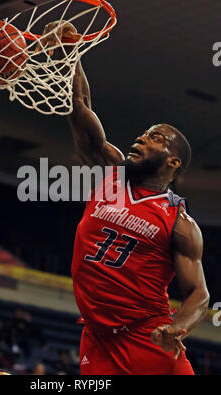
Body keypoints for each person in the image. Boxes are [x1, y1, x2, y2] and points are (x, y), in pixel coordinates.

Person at [39, 22, 210, 375]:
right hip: (97, 338)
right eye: (144, 133)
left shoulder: (178, 221)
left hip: (148, 339)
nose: (142, 138)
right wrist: (73, 53)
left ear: (173, 162)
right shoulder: (111, 171)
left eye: (156, 138)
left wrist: (178, 327)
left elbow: (199, 295)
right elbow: (80, 107)